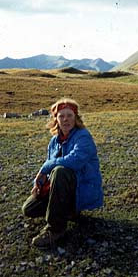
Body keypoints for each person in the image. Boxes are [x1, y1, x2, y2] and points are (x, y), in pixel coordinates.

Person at [22, 98, 103, 247]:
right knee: (29, 209)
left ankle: (56, 229)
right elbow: (47, 169)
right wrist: (38, 183)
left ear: (76, 118)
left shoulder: (83, 136)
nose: (66, 119)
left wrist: (46, 167)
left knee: (60, 171)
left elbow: (74, 161)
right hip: (61, 188)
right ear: (56, 119)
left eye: (70, 115)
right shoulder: (54, 141)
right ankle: (66, 211)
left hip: (81, 188)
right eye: (61, 116)